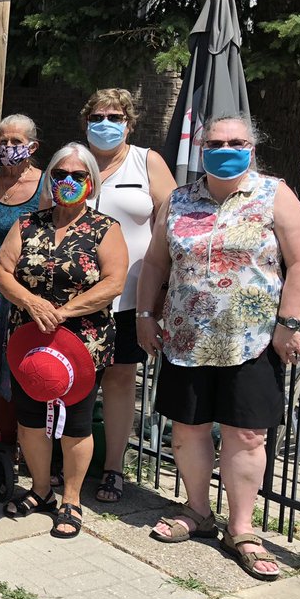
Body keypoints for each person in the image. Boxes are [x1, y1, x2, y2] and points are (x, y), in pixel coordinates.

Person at [140, 114, 300, 581]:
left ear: (252, 148)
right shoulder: (179, 198)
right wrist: (145, 315)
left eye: (236, 142)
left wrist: (289, 323)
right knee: (188, 430)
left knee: (248, 435)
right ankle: (198, 511)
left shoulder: (274, 194)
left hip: (252, 339)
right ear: (202, 149)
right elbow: (156, 263)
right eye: (215, 142)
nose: (225, 149)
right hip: (187, 337)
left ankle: (241, 529)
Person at [0, 143, 128, 538]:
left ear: (92, 182)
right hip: (29, 340)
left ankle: (71, 498)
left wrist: (64, 312)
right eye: (60, 174)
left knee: (76, 424)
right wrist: (32, 303)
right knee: (31, 420)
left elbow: (114, 282)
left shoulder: (105, 228)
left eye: (78, 175)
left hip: (81, 343)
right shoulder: (27, 224)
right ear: (49, 179)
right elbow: (3, 272)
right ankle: (40, 489)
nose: (68, 181)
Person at [81, 89, 176, 503]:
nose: (105, 123)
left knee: (120, 380)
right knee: (74, 381)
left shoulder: (146, 161)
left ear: (129, 123)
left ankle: (113, 468)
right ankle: (67, 461)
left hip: (129, 297)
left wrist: (161, 291)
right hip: (75, 298)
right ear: (85, 122)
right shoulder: (74, 161)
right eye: (97, 116)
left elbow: (172, 223)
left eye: (115, 116)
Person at [0, 114, 45, 452]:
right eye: (3, 142)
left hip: (24, 281)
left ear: (33, 146)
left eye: (17, 141)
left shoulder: (45, 185)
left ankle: (13, 434)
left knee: (15, 356)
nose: (9, 147)